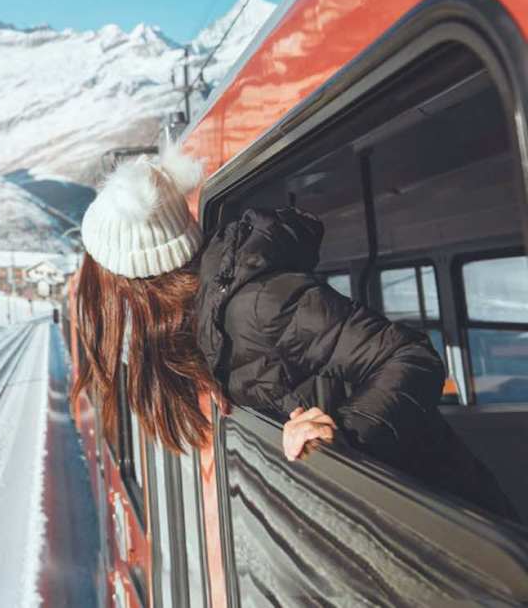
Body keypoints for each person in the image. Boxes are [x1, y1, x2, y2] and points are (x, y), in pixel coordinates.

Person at [73, 147, 515, 519]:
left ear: (138, 286)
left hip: (446, 512)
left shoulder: (257, 306)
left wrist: (341, 437)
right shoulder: (209, 320)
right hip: (406, 513)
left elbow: (411, 356)